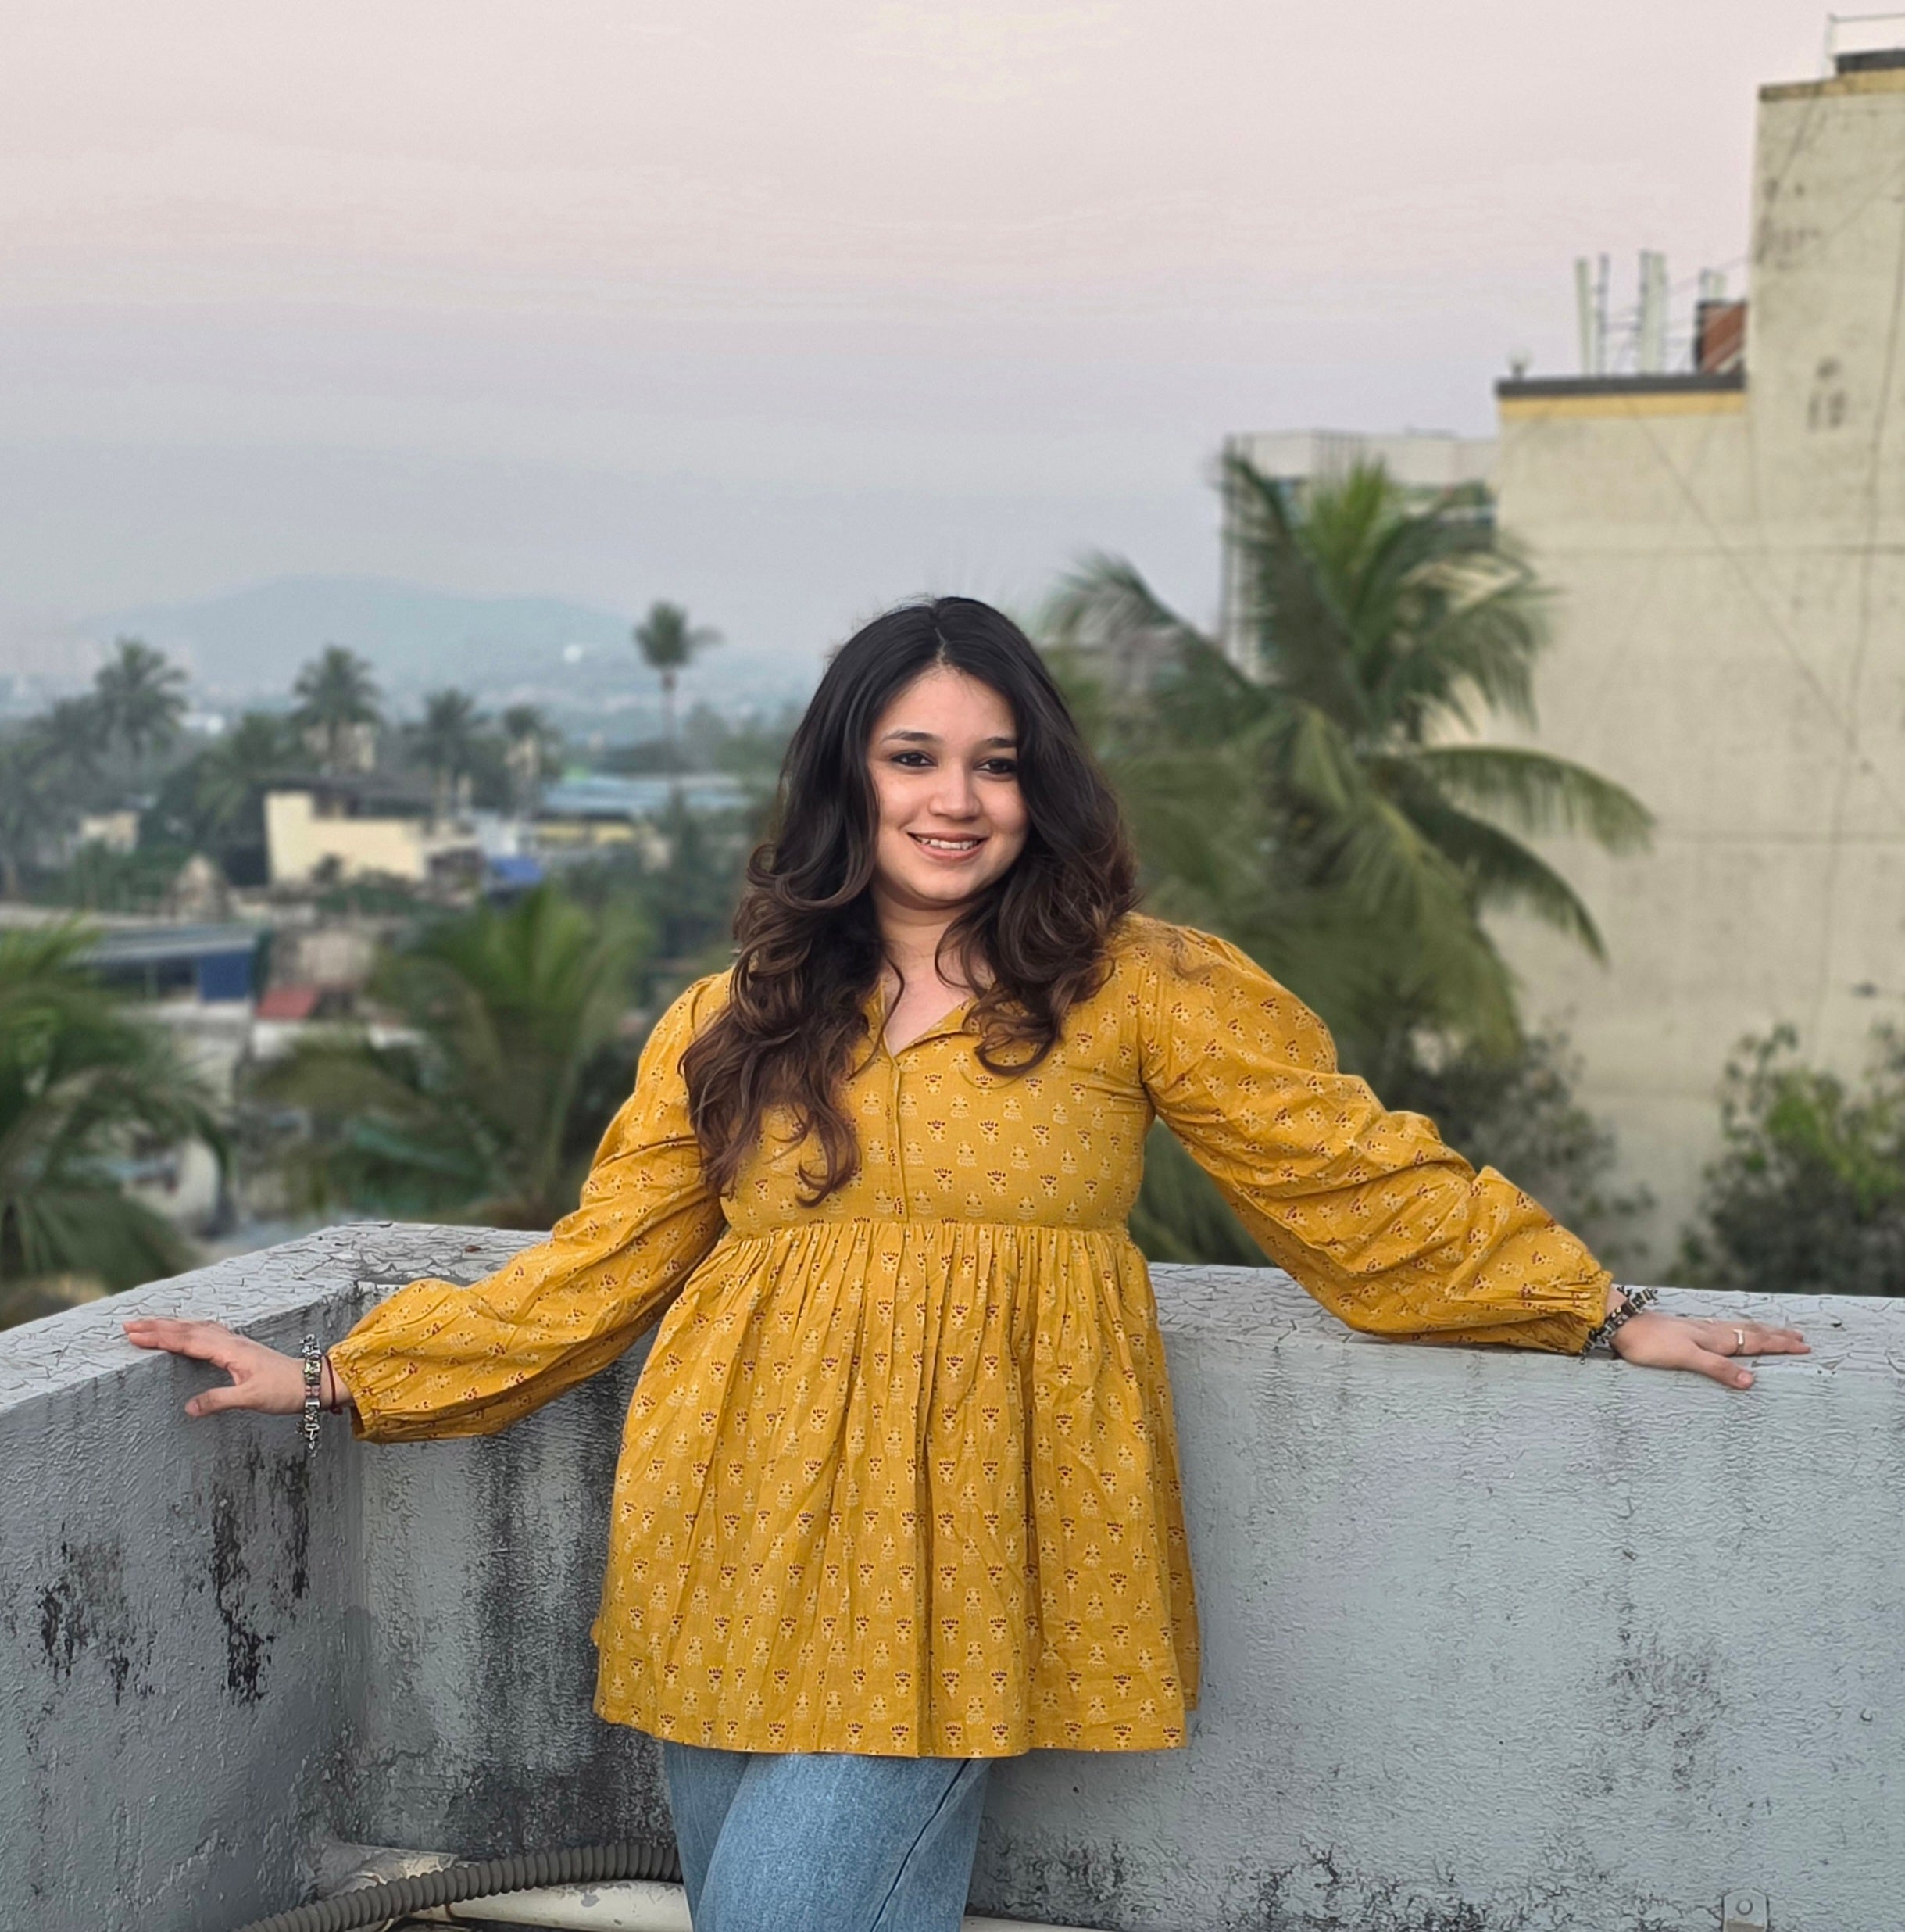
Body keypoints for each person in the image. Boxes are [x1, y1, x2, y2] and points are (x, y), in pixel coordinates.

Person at [125, 596, 1809, 1932]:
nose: (955, 799)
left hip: (963, 1555)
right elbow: (598, 1269)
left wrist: (1594, 1313)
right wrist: (345, 1379)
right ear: (848, 779)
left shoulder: (1137, 987)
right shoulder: (733, 1019)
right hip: (726, 1538)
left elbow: (1348, 1180)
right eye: (915, 756)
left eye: (994, 764)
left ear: (1040, 788)